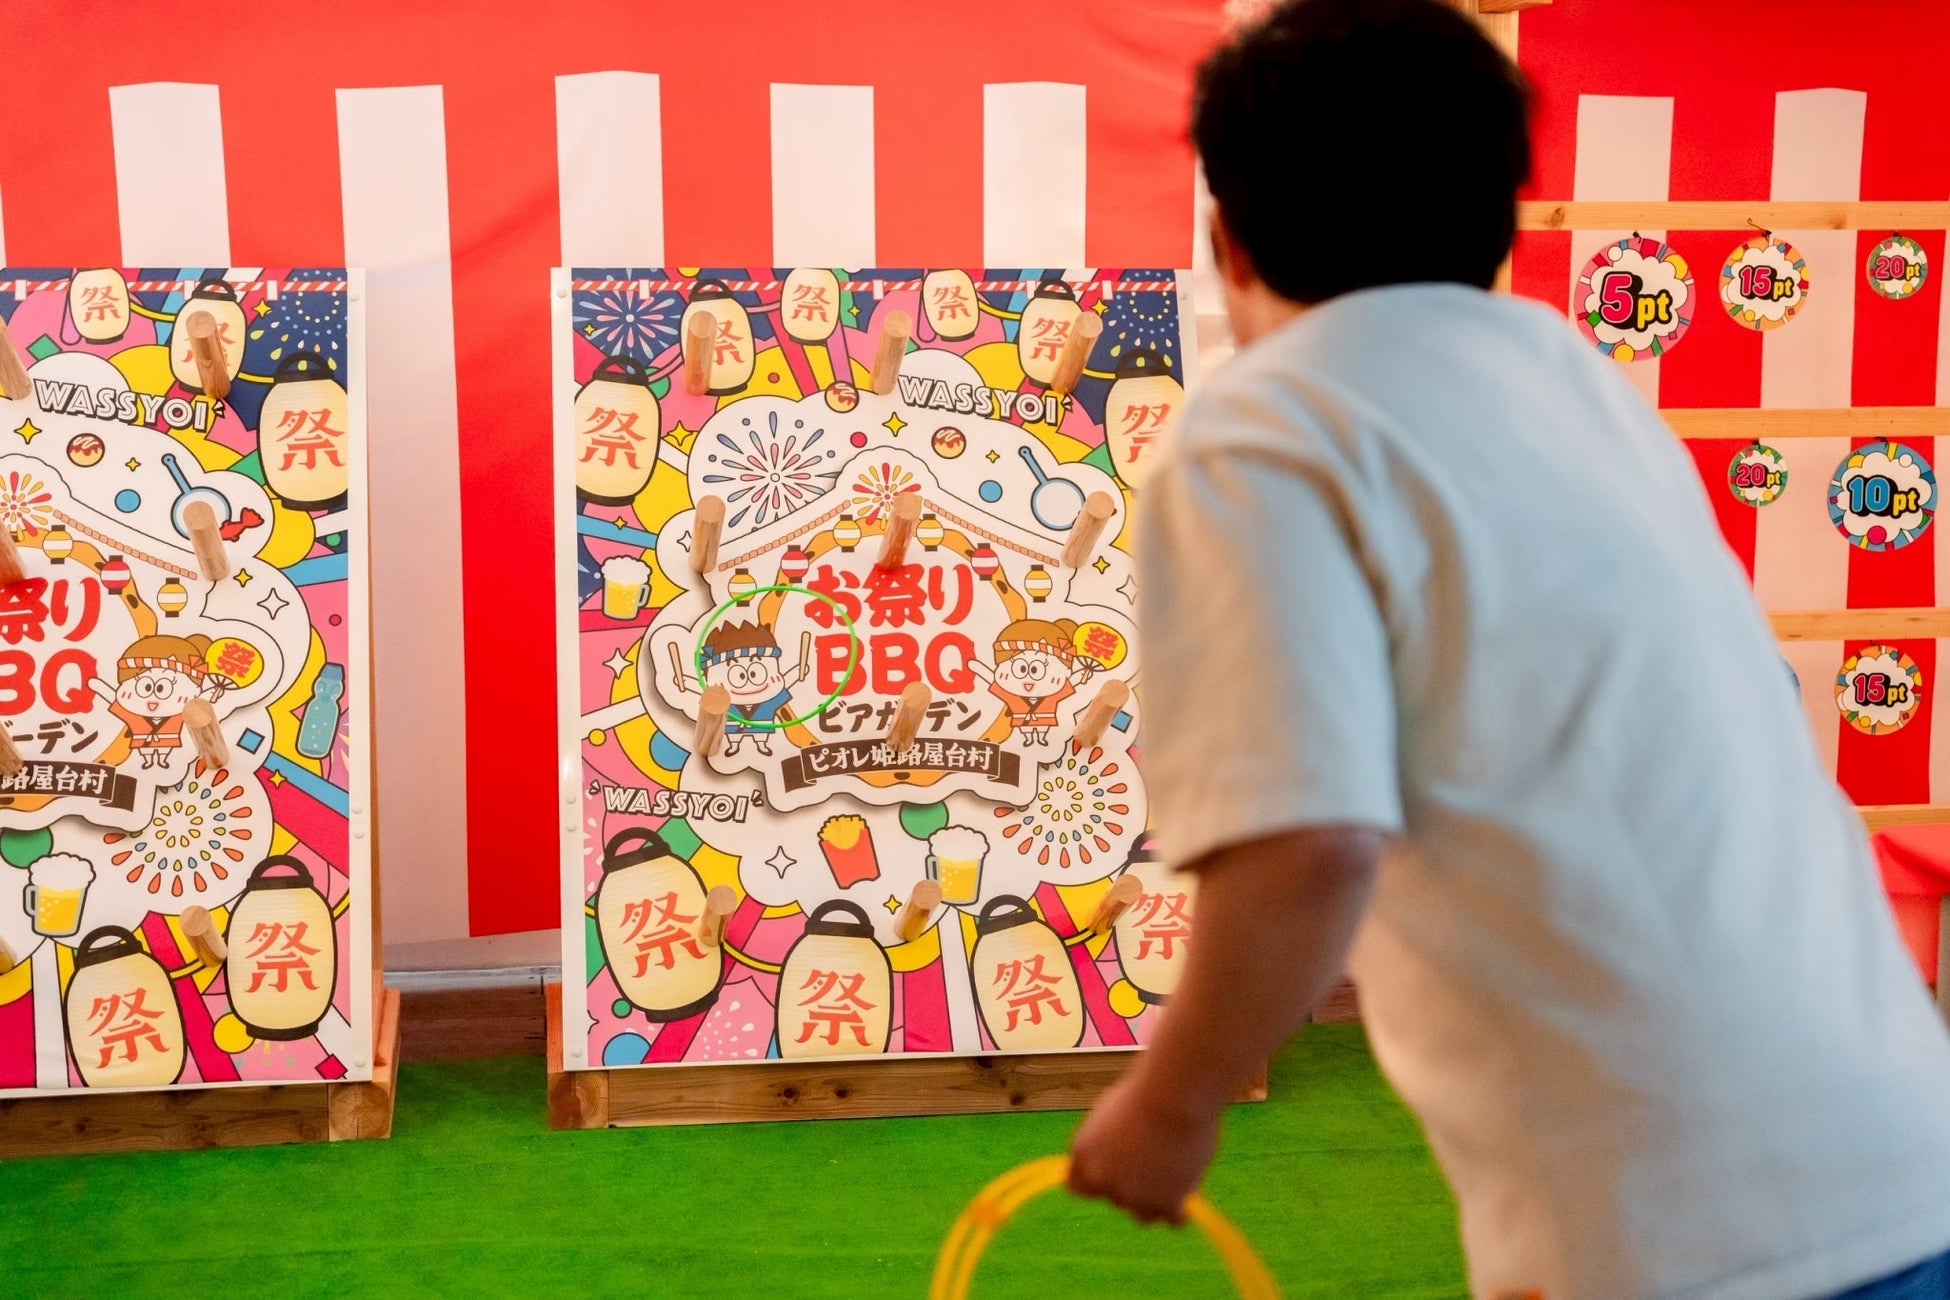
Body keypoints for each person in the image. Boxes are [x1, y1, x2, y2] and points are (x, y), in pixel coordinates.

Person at [1064, 2, 1950, 1297]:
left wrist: (1170, 1104)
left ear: (1224, 237)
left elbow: (1304, 847)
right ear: (1502, 214)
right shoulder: (1576, 382)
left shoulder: (1262, 430)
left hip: (1689, 1229)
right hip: (1901, 1147)